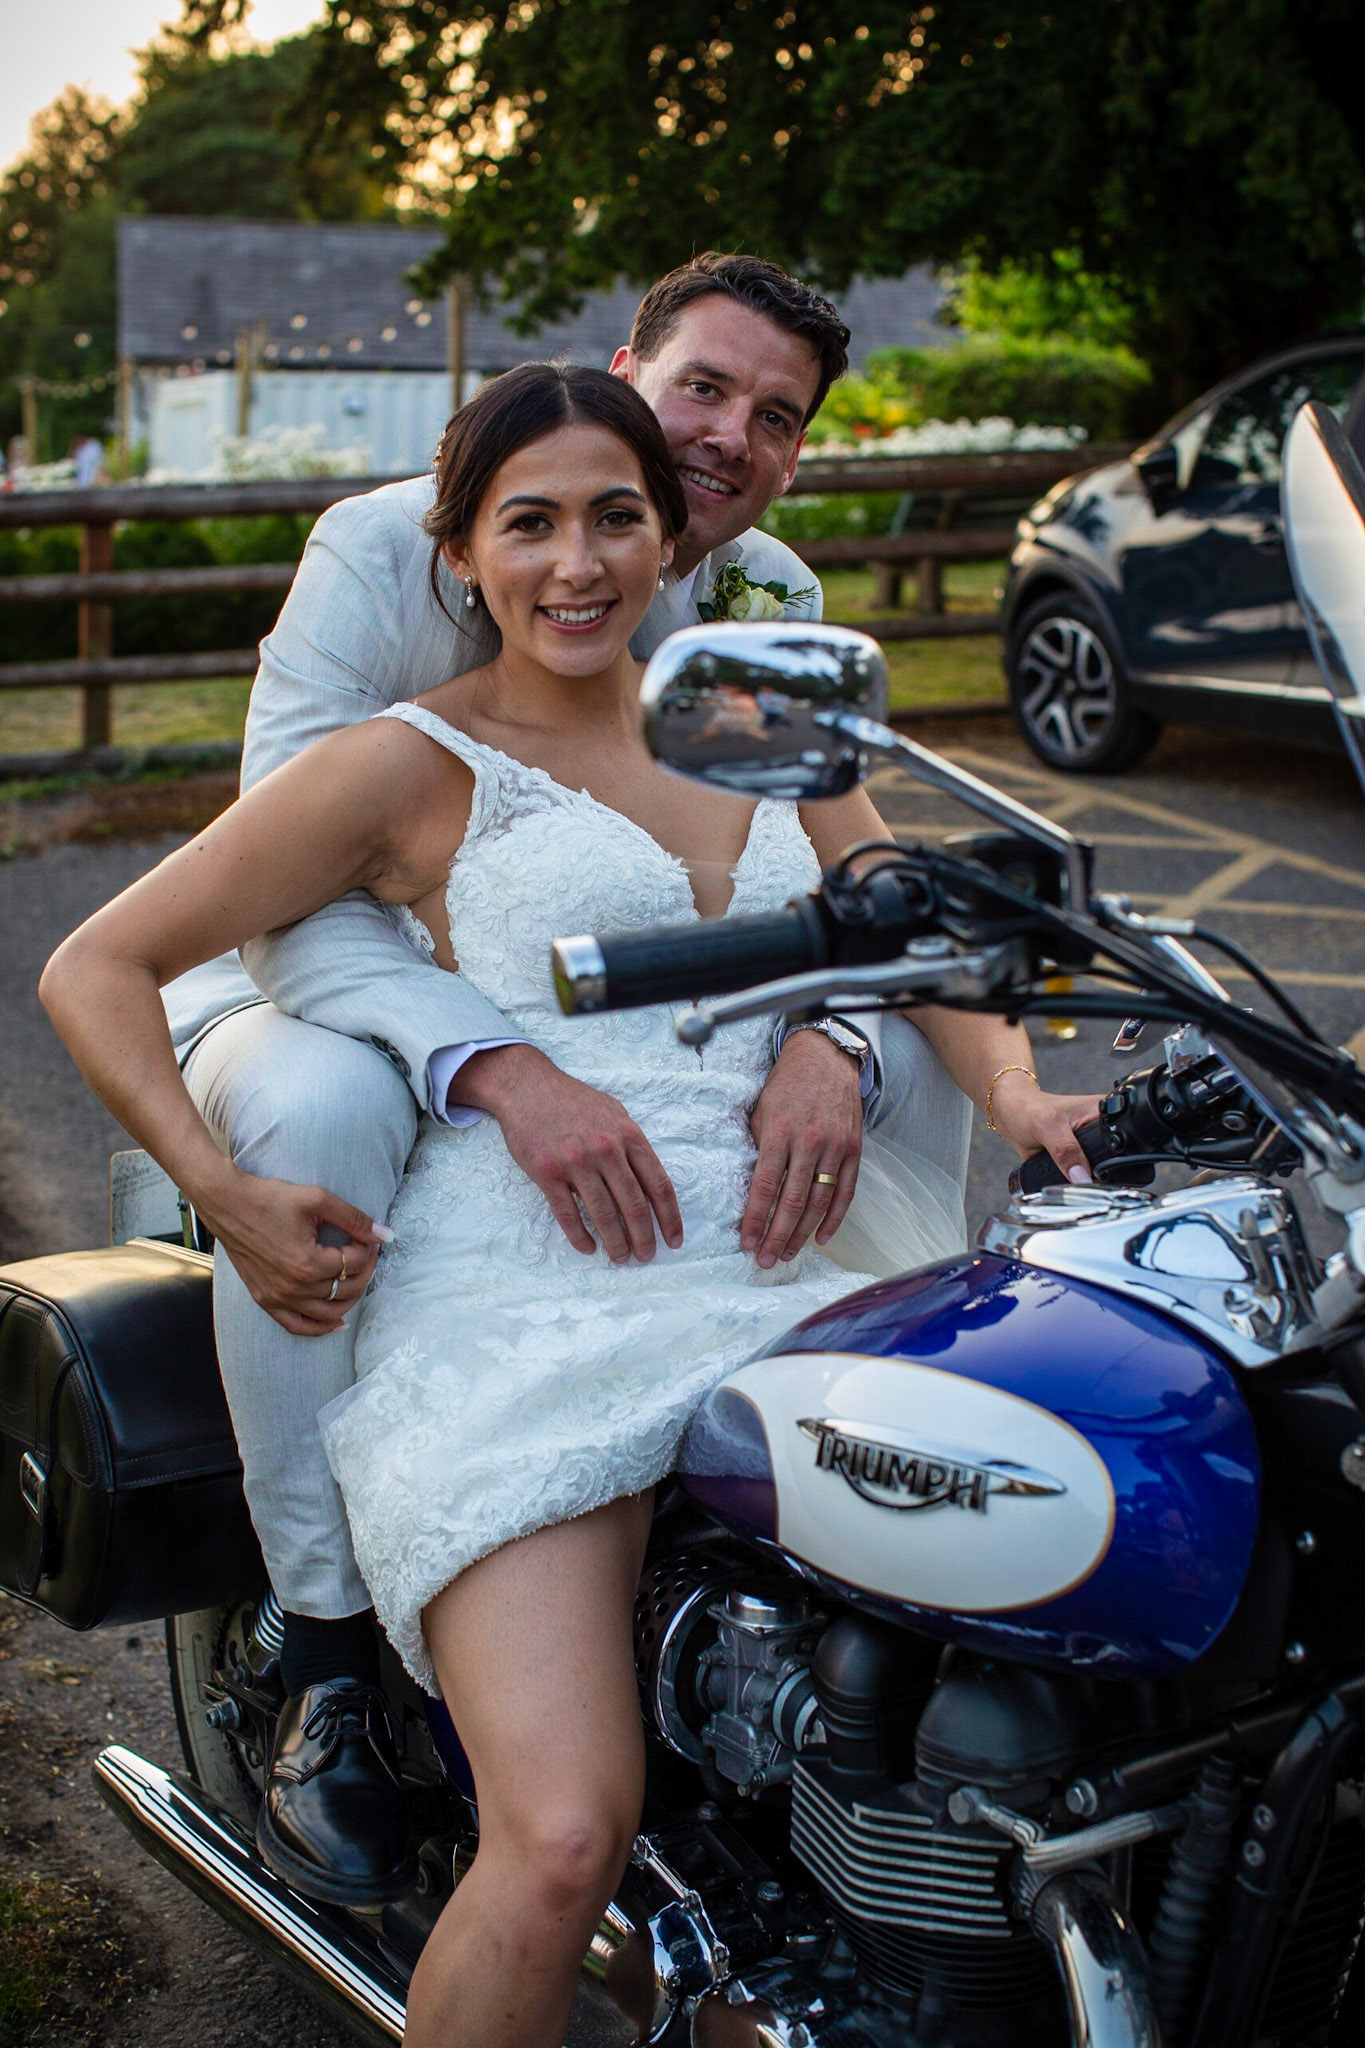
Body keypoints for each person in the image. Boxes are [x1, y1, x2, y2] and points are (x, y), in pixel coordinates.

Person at [41, 362, 1098, 2048]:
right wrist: (223, 1187)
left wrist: (1025, 1095)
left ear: (669, 536)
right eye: (527, 523)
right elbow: (98, 963)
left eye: (615, 516)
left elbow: (915, 929)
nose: (577, 562)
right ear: (461, 553)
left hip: (775, 1286)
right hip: (527, 1309)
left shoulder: (748, 717)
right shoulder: (408, 761)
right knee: (557, 1841)